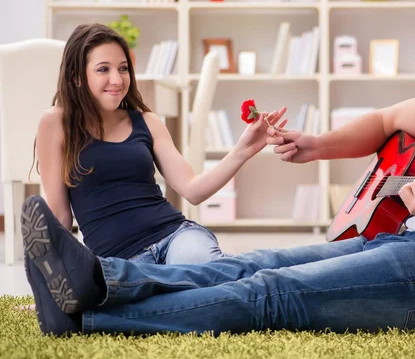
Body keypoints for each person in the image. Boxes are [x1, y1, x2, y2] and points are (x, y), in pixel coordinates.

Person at [23, 0, 415, 337]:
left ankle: (89, 316)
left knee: (271, 295)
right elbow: (386, 122)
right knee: (257, 263)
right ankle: (100, 278)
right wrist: (314, 146)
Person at [28, 23, 287, 266]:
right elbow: (60, 217)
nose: (117, 80)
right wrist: (48, 286)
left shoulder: (147, 121)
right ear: (76, 77)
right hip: (121, 263)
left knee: (204, 273)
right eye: (103, 69)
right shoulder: (55, 123)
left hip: (177, 238)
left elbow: (193, 190)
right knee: (163, 301)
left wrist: (243, 150)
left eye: (123, 68)